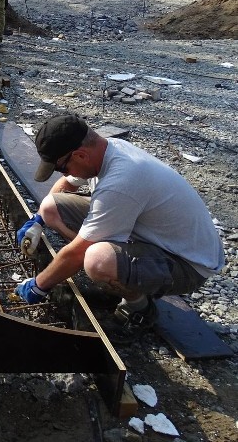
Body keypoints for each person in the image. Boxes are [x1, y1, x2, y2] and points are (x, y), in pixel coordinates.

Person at [14, 114, 225, 344]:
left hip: (187, 263)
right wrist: (38, 221)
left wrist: (39, 285)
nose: (63, 174)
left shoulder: (122, 180)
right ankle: (121, 276)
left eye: (61, 167)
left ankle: (140, 308)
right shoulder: (107, 149)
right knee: (51, 207)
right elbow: (65, 186)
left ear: (81, 155)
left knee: (96, 260)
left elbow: (79, 252)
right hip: (150, 236)